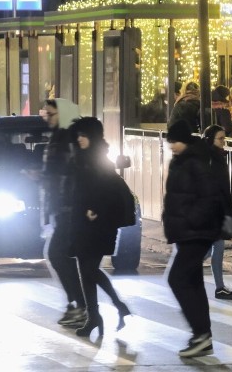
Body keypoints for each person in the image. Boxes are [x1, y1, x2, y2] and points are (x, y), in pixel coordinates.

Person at [162, 120, 227, 358]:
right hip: (187, 232)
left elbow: (208, 197)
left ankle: (200, 334)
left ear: (183, 141)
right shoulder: (181, 160)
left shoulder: (196, 161)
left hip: (197, 232)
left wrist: (190, 220)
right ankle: (203, 337)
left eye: (174, 142)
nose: (171, 146)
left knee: (177, 279)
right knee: (193, 282)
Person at [67, 117, 131, 338]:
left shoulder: (100, 160)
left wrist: (94, 209)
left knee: (89, 269)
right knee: (85, 270)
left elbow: (107, 191)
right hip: (81, 223)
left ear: (92, 137)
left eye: (84, 135)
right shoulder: (80, 158)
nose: (80, 139)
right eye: (78, 135)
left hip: (99, 224)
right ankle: (95, 315)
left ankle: (112, 307)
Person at [41, 98, 86, 328]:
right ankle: (77, 303)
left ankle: (80, 304)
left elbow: (67, 173)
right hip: (62, 207)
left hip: (69, 207)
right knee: (61, 256)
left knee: (58, 255)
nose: (48, 118)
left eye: (51, 114)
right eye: (46, 114)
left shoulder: (69, 138)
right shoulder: (59, 137)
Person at [201, 125, 232, 300]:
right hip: (212, 210)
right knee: (215, 247)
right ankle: (186, 269)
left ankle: (220, 287)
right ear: (211, 140)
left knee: (217, 247)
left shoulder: (216, 157)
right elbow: (216, 187)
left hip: (216, 209)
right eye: (221, 139)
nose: (224, 142)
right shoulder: (210, 158)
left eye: (224, 138)